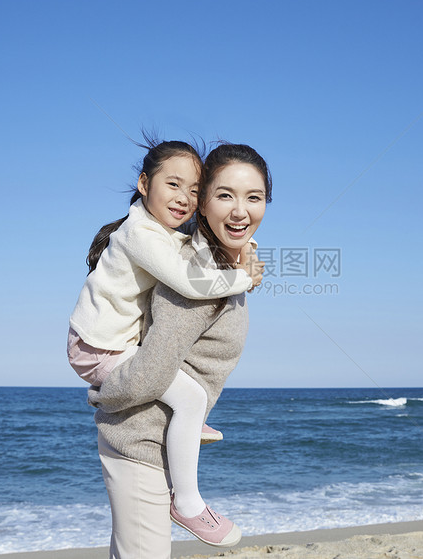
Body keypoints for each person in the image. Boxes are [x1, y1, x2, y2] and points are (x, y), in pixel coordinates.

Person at [68, 138, 264, 550]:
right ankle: (189, 504)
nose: (240, 210)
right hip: (135, 433)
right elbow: (152, 366)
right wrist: (107, 395)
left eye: (254, 197)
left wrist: (245, 253)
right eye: (224, 194)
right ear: (143, 183)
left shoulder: (180, 241)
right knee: (189, 399)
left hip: (144, 431)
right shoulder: (169, 253)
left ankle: (187, 431)